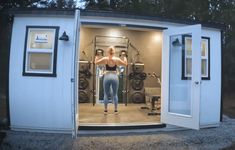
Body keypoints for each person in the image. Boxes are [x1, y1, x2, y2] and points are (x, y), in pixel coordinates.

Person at [95, 46, 127, 115]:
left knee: (106, 94)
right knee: (115, 94)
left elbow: (96, 63)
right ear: (114, 52)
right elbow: (125, 64)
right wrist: (125, 58)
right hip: (114, 76)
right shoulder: (117, 59)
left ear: (107, 52)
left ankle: (105, 110)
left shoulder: (105, 59)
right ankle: (115, 110)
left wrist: (96, 57)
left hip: (107, 76)